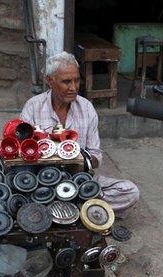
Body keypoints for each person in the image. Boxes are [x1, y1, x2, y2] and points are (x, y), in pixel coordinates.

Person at [20, 52, 140, 218]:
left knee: (130, 191)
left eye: (77, 80)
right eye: (66, 81)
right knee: (19, 192)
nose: (74, 87)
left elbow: (96, 155)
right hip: (42, 181)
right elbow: (23, 152)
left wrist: (77, 159)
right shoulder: (33, 107)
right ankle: (82, 208)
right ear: (50, 81)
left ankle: (68, 207)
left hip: (80, 179)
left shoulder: (87, 108)